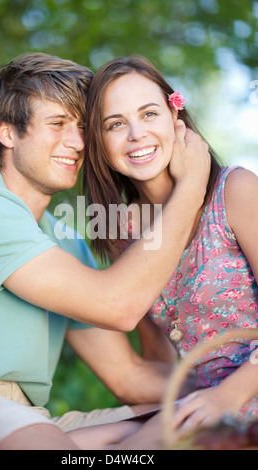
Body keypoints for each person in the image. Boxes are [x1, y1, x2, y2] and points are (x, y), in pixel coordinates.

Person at [0, 52, 210, 450]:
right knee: (39, 439)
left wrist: (232, 383)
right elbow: (119, 306)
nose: (77, 143)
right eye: (57, 124)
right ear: (7, 133)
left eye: (82, 127)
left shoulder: (63, 239)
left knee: (206, 422)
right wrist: (192, 187)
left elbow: (127, 375)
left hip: (30, 416)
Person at [84, 55, 258, 436]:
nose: (136, 135)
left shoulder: (236, 191)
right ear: (100, 142)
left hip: (244, 391)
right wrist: (142, 418)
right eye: (115, 124)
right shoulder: (122, 232)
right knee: (66, 444)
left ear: (174, 115)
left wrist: (227, 395)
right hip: (200, 397)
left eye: (149, 114)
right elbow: (158, 351)